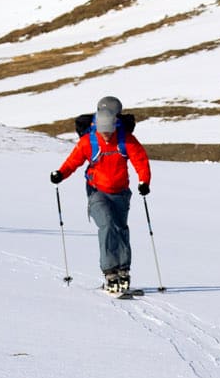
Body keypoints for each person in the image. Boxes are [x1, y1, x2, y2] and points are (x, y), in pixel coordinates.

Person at [51, 94, 151, 295]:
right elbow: (74, 161)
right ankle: (110, 272)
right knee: (107, 225)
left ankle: (124, 270)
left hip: (121, 192)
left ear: (115, 126)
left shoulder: (126, 140)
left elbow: (141, 161)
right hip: (97, 191)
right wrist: (61, 174)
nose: (106, 135)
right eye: (102, 131)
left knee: (121, 228)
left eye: (109, 131)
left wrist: (144, 182)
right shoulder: (89, 141)